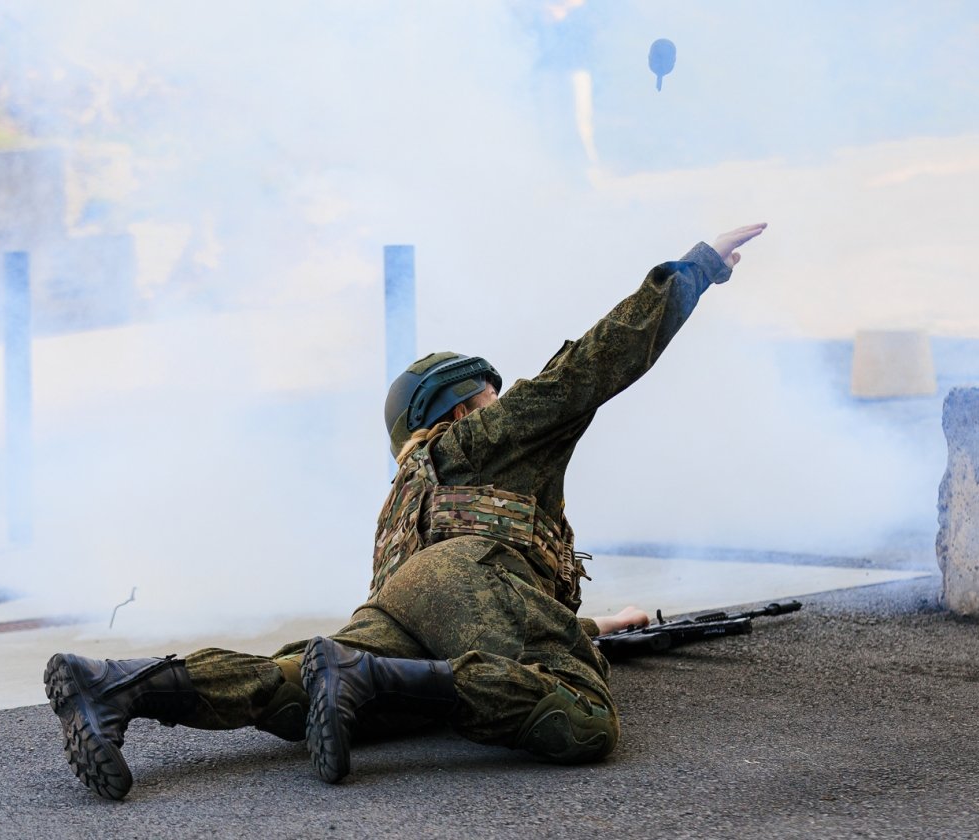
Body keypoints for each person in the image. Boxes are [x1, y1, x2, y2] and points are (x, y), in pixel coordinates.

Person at [43, 223, 768, 800]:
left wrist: (588, 627)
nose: (503, 398)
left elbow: (461, 611)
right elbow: (587, 369)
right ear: (459, 405)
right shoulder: (482, 437)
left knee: (292, 685)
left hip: (402, 600)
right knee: (582, 719)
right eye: (489, 391)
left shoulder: (403, 498)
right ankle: (363, 676)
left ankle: (116, 685)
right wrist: (696, 269)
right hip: (468, 579)